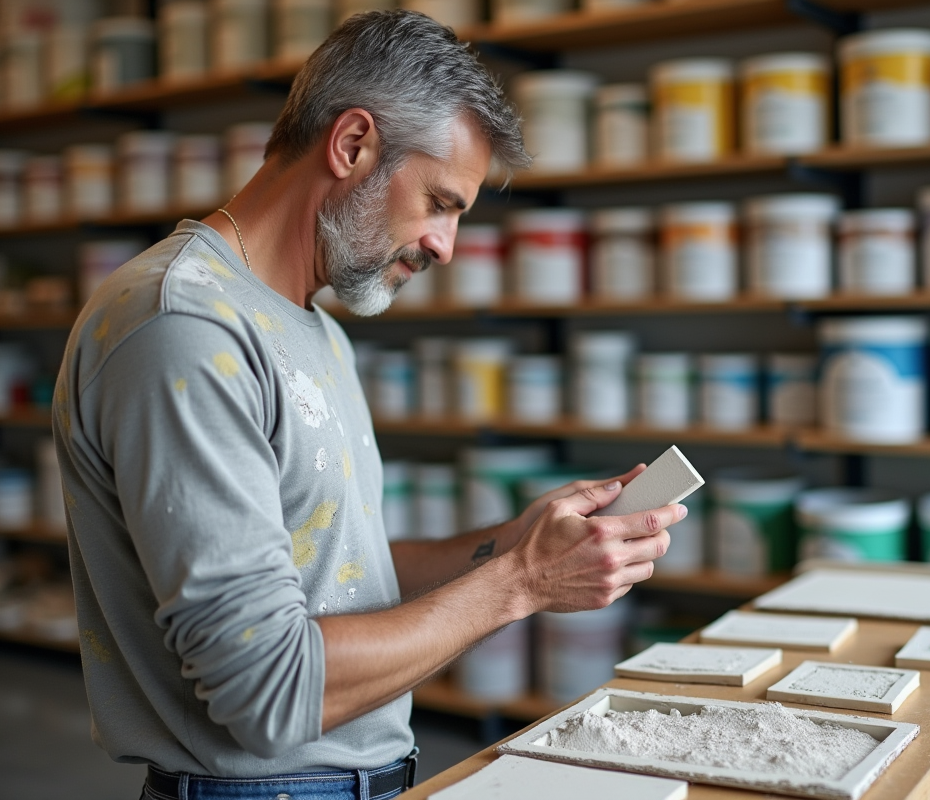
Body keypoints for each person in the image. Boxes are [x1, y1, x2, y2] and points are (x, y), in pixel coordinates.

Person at [53, 10, 683, 800]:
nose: (446, 246)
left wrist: (509, 543)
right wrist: (518, 582)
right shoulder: (183, 327)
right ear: (352, 145)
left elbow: (338, 577)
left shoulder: (310, 324)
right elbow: (267, 689)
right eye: (441, 203)